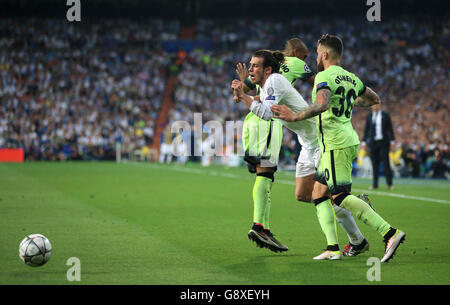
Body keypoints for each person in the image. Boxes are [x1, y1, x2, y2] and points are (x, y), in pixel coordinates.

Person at [271, 34, 406, 262]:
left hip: (335, 143)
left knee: (340, 196)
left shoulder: (324, 76)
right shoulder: (351, 77)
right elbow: (374, 98)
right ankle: (333, 247)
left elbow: (322, 104)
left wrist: (294, 116)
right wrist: (349, 103)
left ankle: (390, 233)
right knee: (318, 193)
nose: (316, 57)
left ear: (324, 54)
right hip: (346, 138)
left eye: (316, 53)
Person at [232, 47, 370, 257]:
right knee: (303, 194)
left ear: (268, 69)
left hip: (319, 140)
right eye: (250, 65)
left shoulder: (277, 78)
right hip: (306, 143)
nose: (251, 68)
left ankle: (339, 243)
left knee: (325, 195)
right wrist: (243, 92)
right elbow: (265, 103)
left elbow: (268, 114)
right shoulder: (270, 84)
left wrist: (243, 96)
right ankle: (357, 232)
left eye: (254, 65)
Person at [363, 103, 395, 190]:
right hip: (373, 143)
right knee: (374, 164)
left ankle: (390, 184)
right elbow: (366, 130)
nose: (375, 106)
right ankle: (375, 184)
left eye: (376, 105)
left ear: (379, 105)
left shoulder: (385, 115)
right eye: (373, 105)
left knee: (386, 163)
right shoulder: (369, 116)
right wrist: (364, 142)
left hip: (384, 142)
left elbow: (390, 129)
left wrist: (392, 141)